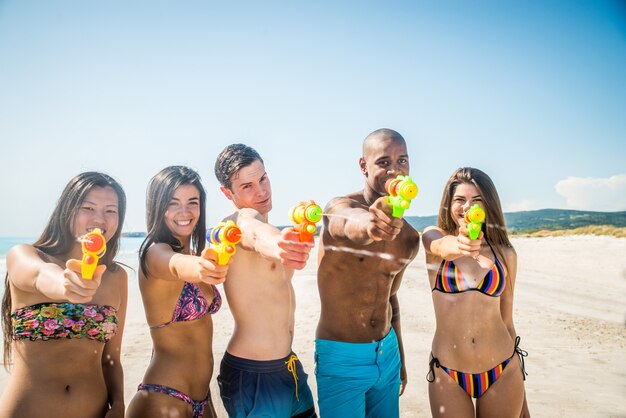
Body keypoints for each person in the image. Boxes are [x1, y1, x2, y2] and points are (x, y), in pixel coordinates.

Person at [0, 172, 128, 418]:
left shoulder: (115, 276)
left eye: (111, 210)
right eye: (88, 207)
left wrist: (120, 404)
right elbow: (40, 275)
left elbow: (110, 358)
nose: (100, 218)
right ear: (67, 210)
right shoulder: (25, 255)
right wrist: (66, 285)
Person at [315, 129, 420, 417]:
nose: (394, 170)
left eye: (402, 161)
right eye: (384, 162)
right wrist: (370, 224)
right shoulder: (340, 207)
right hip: (342, 357)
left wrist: (400, 359)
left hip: (387, 356)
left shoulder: (410, 238)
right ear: (364, 166)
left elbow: (391, 299)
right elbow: (349, 223)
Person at [213, 144, 317, 418]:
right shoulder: (237, 223)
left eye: (263, 178)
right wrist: (280, 243)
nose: (261, 191)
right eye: (247, 186)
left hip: (288, 366)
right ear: (228, 193)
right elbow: (254, 234)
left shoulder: (274, 228)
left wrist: (289, 237)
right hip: (253, 374)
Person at [422, 167, 529, 417]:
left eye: (477, 200)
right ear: (449, 205)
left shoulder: (506, 254)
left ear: (488, 205)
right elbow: (440, 245)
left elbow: (507, 321)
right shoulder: (434, 240)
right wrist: (460, 244)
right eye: (460, 200)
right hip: (447, 372)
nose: (468, 207)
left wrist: (522, 397)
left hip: (503, 370)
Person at [126, 166, 228, 418]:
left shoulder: (191, 254)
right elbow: (175, 265)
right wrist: (203, 267)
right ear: (158, 207)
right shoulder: (154, 253)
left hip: (201, 399)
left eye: (192, 202)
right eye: (174, 203)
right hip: (163, 399)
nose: (185, 212)